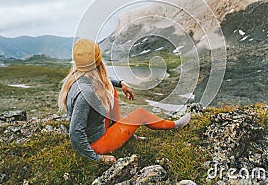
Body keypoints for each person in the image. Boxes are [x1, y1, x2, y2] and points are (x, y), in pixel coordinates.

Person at [58, 39, 191, 163]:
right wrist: (97, 158)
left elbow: (101, 80)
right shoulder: (85, 93)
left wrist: (121, 83)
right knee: (141, 114)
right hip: (96, 144)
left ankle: (123, 132)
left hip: (97, 129)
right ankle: (175, 125)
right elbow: (75, 132)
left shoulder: (78, 76)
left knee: (111, 90)